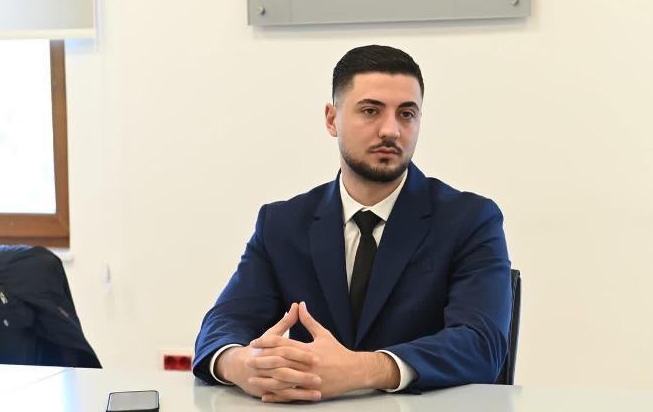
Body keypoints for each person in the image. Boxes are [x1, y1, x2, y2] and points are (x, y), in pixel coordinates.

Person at [192, 45, 512, 403]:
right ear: (332, 120)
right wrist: (242, 364)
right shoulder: (282, 224)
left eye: (406, 114)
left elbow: (481, 345)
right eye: (371, 111)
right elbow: (222, 326)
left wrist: (362, 369)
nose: (391, 130)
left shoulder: (470, 220)